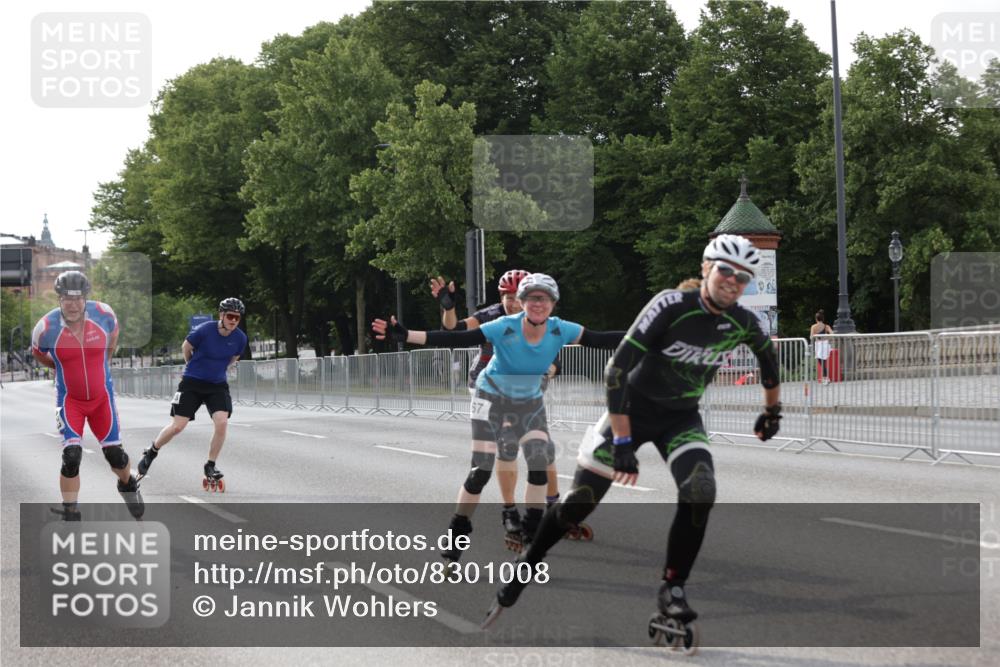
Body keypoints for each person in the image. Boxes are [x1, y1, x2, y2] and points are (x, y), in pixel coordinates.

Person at [482, 235, 783, 628]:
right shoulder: (671, 305)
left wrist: (772, 410)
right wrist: (623, 441)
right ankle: (528, 564)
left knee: (701, 490)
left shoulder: (742, 320)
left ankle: (673, 588)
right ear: (706, 269)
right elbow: (617, 371)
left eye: (743, 278)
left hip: (680, 418)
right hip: (630, 409)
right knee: (581, 502)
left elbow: (768, 359)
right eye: (725, 270)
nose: (732, 281)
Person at [375, 273, 623, 557]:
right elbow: (457, 336)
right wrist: (407, 336)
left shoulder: (561, 329)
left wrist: (651, 335)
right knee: (481, 470)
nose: (537, 304)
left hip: (528, 402)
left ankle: (531, 536)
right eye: (531, 298)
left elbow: (602, 339)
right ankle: (457, 534)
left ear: (553, 304)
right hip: (489, 398)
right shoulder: (504, 326)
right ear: (522, 302)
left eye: (543, 299)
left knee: (539, 465)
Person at [429, 270, 563, 547]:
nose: (513, 303)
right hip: (486, 387)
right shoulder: (491, 316)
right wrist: (449, 308)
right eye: (507, 297)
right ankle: (510, 509)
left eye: (517, 297)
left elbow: (553, 362)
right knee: (506, 448)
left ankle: (553, 505)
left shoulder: (540, 316)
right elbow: (453, 330)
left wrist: (545, 373)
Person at [31, 271, 144, 520]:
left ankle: (128, 484)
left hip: (101, 399)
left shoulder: (104, 315)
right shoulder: (46, 327)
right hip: (70, 400)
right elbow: (39, 354)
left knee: (115, 455)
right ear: (59, 299)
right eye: (67, 299)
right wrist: (59, 366)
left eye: (78, 298)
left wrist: (105, 360)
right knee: (71, 456)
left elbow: (113, 336)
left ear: (86, 298)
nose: (73, 305)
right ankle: (70, 511)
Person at [137, 298, 248, 490]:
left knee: (222, 422)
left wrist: (216, 371)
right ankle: (152, 451)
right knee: (178, 426)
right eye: (230, 316)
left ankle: (210, 465)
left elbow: (233, 359)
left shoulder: (240, 337)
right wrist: (192, 366)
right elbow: (186, 347)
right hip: (192, 382)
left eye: (237, 318)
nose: (233, 320)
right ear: (221, 315)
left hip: (216, 384)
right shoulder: (205, 330)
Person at [811, 310, 834, 384]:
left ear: (816, 319)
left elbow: (811, 337)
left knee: (821, 362)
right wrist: (826, 337)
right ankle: (826, 378)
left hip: (818, 344)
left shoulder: (813, 326)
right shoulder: (826, 326)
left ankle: (826, 378)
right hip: (825, 344)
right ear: (823, 319)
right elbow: (832, 334)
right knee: (824, 361)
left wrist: (816, 336)